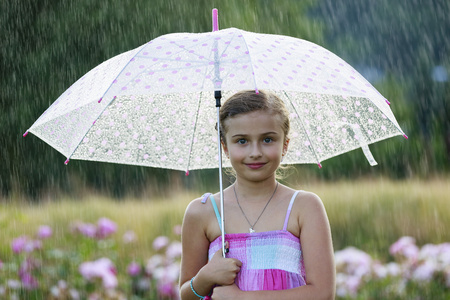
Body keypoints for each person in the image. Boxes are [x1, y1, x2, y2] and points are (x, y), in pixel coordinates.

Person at [179, 90, 335, 299]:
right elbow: (186, 295)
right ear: (224, 147)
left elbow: (322, 293)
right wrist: (205, 277)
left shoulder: (304, 207)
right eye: (242, 141)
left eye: (268, 140)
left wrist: (243, 298)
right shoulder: (202, 212)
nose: (255, 152)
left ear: (285, 145)